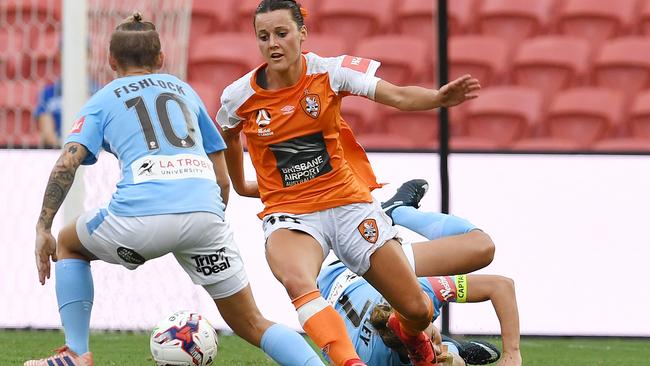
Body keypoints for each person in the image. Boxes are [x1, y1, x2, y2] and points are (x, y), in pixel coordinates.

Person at [26, 13, 324, 366]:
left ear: (110, 61)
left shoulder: (102, 100)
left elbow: (66, 163)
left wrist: (42, 227)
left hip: (139, 220)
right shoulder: (184, 91)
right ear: (160, 60)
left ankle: (76, 354)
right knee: (252, 323)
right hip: (205, 216)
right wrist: (211, 218)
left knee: (69, 242)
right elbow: (221, 172)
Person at [215, 1, 483, 365]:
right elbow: (228, 132)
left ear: (302, 34)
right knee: (297, 281)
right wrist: (242, 183)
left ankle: (411, 337)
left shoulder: (331, 72)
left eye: (282, 33)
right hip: (291, 214)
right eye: (263, 37)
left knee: (417, 310)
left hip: (348, 206)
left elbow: (398, 95)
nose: (273, 44)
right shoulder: (239, 96)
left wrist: (436, 98)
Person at [316, 180, 522, 366]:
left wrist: (511, 353)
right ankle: (456, 348)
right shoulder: (370, 357)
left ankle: (397, 211)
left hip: (344, 272)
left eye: (432, 338)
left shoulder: (419, 297)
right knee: (446, 356)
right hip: (345, 295)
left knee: (482, 248)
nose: (435, 346)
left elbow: (500, 286)